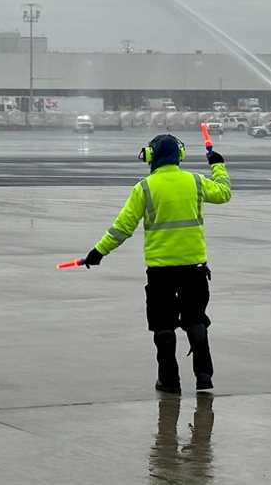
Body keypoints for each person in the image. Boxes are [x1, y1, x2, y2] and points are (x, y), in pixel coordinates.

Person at [80, 133, 231, 393]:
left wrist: (98, 252)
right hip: (193, 267)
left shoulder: (145, 188)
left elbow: (122, 228)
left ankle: (169, 380)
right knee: (195, 320)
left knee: (163, 325)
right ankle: (204, 375)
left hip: (161, 270)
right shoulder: (195, 181)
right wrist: (217, 165)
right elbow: (223, 193)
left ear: (151, 157)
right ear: (180, 155)